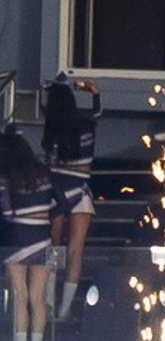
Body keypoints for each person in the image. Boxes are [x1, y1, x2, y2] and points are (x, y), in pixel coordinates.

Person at [43, 74, 99, 326]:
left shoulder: (52, 126)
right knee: (76, 251)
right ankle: (63, 309)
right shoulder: (86, 122)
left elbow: (51, 166)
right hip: (80, 189)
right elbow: (98, 112)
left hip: (56, 190)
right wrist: (94, 92)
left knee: (53, 247)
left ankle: (49, 303)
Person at [1, 131, 49, 341]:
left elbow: (8, 215)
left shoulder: (8, 178)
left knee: (20, 296)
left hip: (20, 240)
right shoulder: (44, 174)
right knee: (37, 299)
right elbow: (57, 204)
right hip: (44, 239)